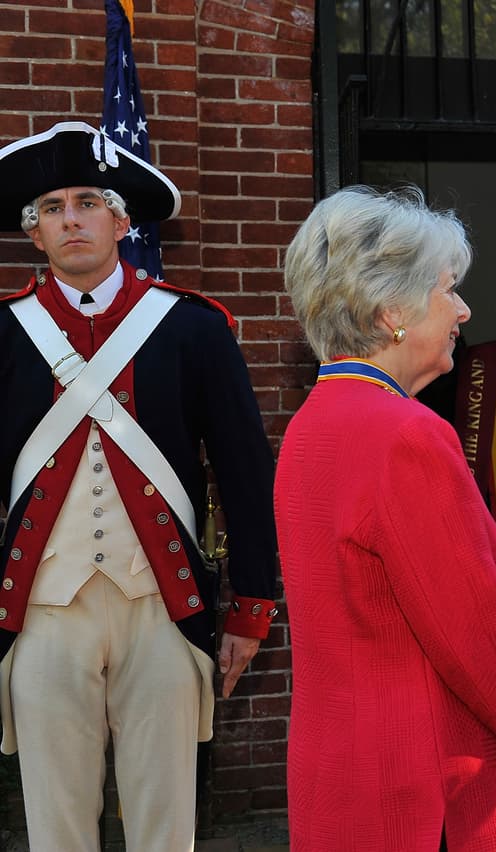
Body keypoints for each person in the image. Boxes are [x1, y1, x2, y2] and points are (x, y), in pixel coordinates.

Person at [0, 121, 277, 851]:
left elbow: (246, 474)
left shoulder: (193, 328)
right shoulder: (4, 334)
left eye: (87, 201)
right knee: (55, 827)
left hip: (163, 606)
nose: (70, 218)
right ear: (35, 234)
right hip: (42, 613)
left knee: (166, 826)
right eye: (52, 208)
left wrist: (250, 607)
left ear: (121, 221)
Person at [276, 186, 496, 851]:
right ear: (393, 313)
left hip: (336, 781)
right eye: (448, 290)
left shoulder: (307, 428)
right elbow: (473, 632)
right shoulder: (406, 435)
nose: (464, 309)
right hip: (421, 792)